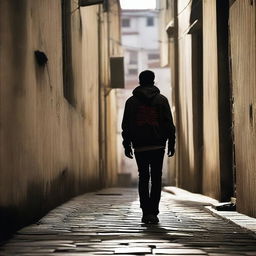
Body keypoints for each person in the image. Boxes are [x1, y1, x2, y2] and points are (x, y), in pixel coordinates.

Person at [121, 70, 176, 224]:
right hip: (158, 145)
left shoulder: (131, 102)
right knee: (156, 178)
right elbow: (168, 124)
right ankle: (154, 211)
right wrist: (171, 142)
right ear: (153, 81)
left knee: (143, 177)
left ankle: (146, 212)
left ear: (139, 81)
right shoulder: (162, 100)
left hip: (140, 146)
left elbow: (126, 125)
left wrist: (127, 144)